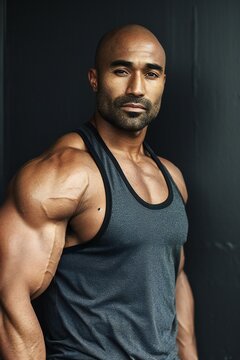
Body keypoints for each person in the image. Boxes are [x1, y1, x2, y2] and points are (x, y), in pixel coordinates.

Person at [0, 24, 198, 359]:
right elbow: (9, 299)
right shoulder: (64, 173)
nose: (136, 88)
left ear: (163, 83)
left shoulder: (172, 178)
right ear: (94, 79)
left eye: (151, 74)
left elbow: (174, 280)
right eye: (121, 71)